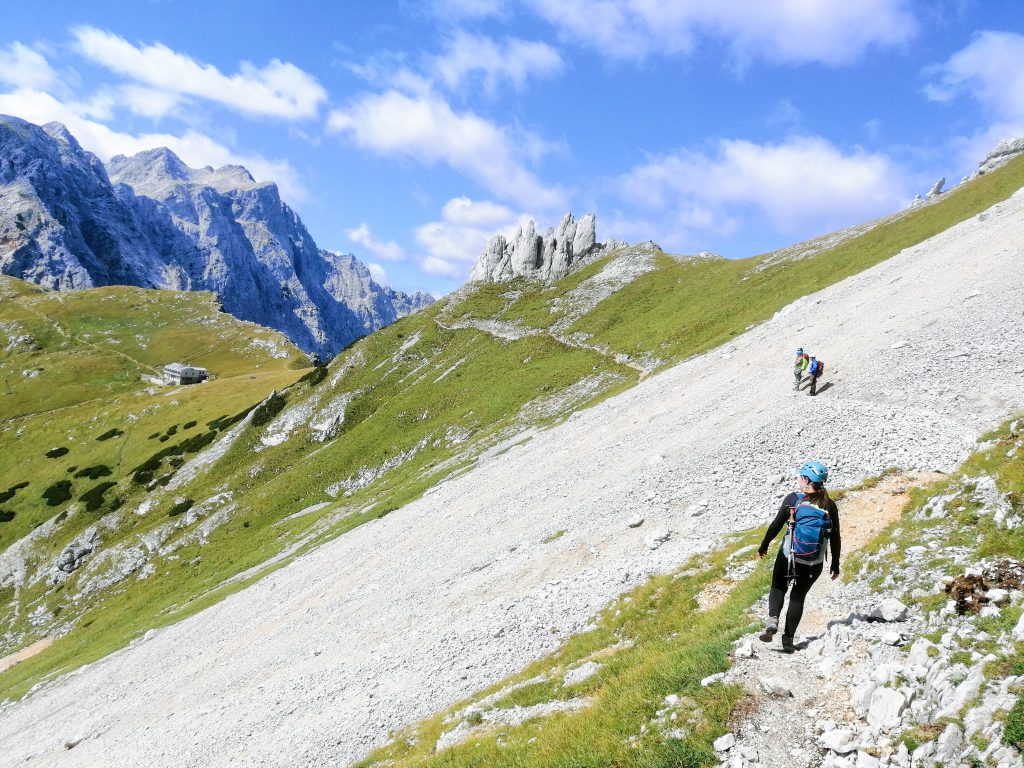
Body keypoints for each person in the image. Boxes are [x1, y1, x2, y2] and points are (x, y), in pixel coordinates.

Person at [756, 461, 841, 652]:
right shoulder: (829, 505)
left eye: (800, 477)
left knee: (778, 586)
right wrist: (835, 564)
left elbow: (775, 526)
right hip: (814, 562)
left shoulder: (793, 499)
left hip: (789, 556)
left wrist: (764, 546)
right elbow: (835, 536)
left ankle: (772, 621)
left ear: (806, 479)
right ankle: (788, 640)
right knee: (798, 596)